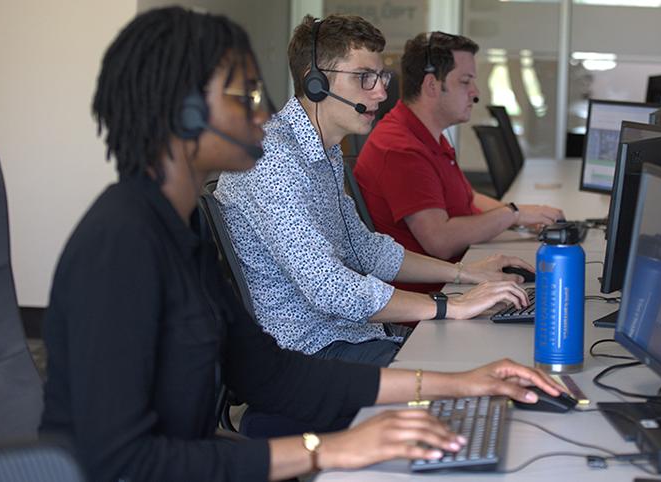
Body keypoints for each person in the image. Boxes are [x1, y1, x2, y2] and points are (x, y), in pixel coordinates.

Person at [39, 7, 564, 482]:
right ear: (186, 112)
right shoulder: (118, 246)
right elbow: (122, 464)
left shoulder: (180, 234)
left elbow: (270, 374)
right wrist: (326, 450)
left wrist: (463, 384)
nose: (265, 113)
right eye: (244, 95)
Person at [215, 15, 534, 365]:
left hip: (351, 334)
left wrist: (465, 273)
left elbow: (367, 251)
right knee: (470, 366)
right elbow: (330, 288)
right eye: (364, 78)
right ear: (316, 84)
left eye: (382, 77)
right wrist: (451, 305)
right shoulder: (272, 158)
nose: (382, 91)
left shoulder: (325, 152)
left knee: (488, 344)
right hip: (310, 353)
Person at [354, 32, 565, 277]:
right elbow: (440, 241)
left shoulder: (426, 134)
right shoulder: (400, 149)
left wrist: (522, 219)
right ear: (432, 85)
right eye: (465, 81)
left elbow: (469, 198)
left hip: (457, 275)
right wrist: (512, 213)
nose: (475, 93)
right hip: (433, 296)